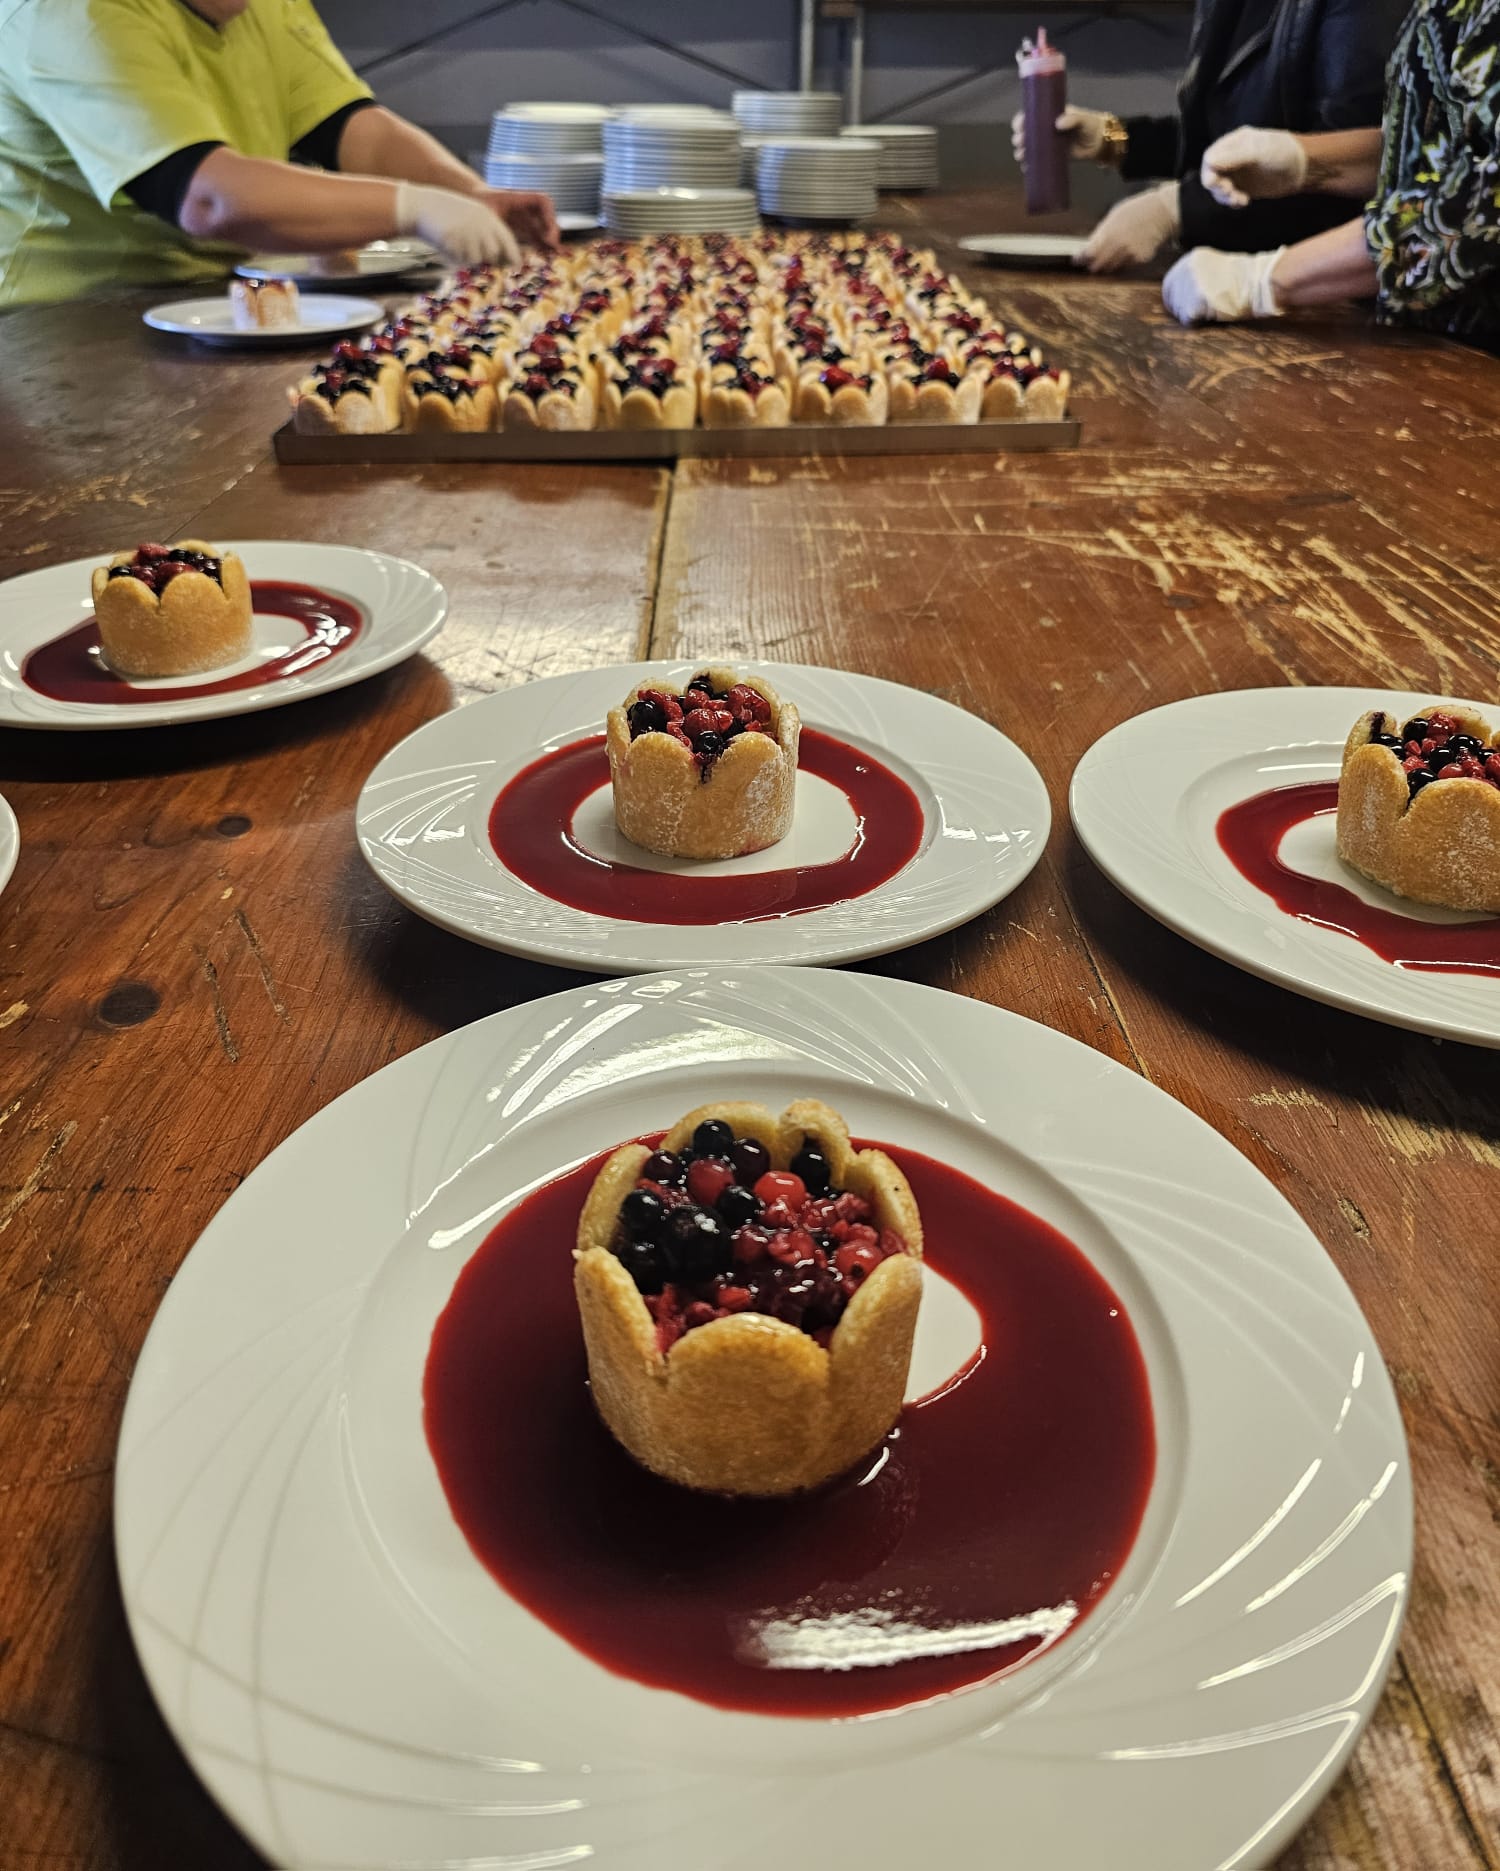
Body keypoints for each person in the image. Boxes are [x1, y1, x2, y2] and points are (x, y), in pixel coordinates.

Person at [0, 0, 559, 309]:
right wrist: (417, 207)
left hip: (226, 305)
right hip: (63, 332)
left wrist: (470, 195)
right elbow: (208, 198)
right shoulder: (69, 13)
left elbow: (350, 128)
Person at [1163, 0, 1500, 353]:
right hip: (1421, 344)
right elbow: (1434, 147)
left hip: (1481, 361)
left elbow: (1478, 209)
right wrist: (1308, 162)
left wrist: (1265, 279)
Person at [1010, 0, 1404, 274]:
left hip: (1325, 304)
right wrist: (1113, 139)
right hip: (1231, 286)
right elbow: (1220, 146)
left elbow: (1347, 176)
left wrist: (1176, 210)